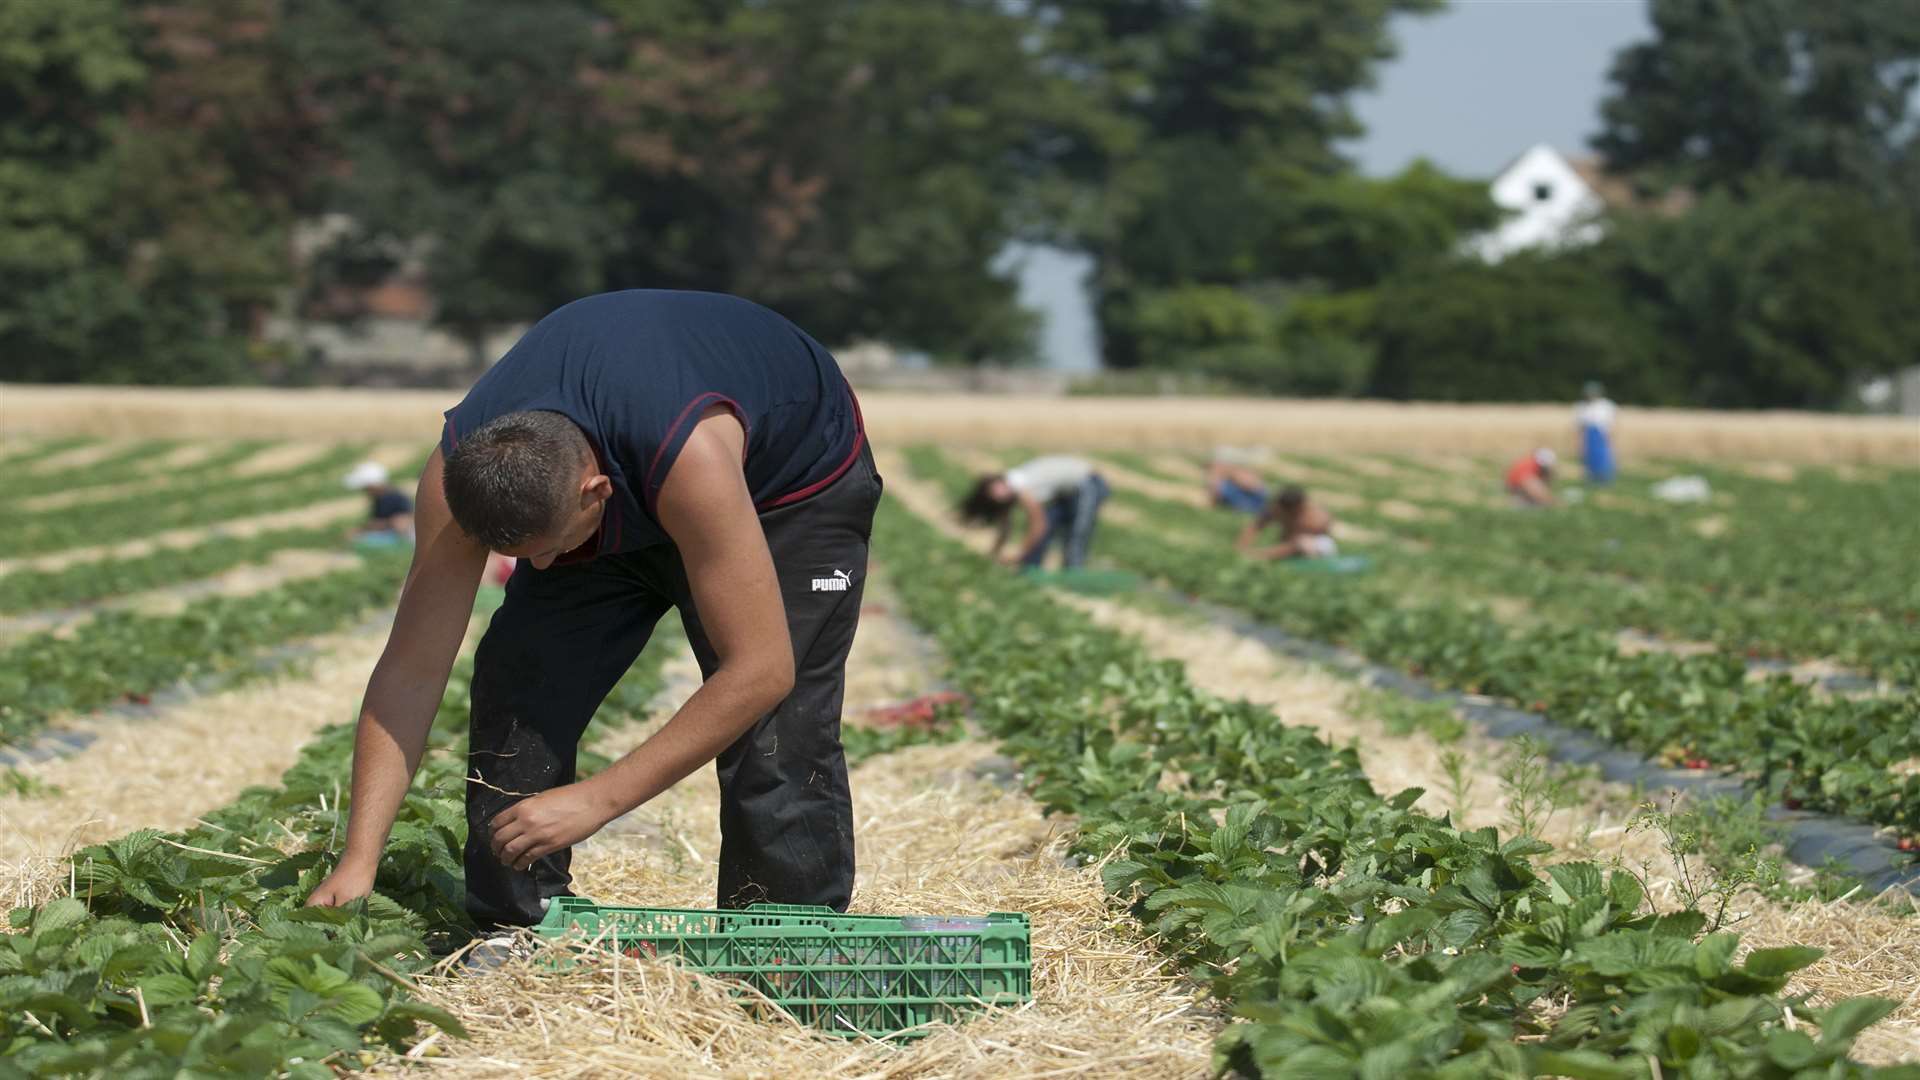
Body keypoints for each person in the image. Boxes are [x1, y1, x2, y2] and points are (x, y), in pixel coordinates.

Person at [304, 291, 882, 942]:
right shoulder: (457, 474)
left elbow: (763, 670)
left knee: (779, 730)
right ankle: (517, 928)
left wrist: (600, 798)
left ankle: (780, 947)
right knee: (521, 672)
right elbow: (410, 670)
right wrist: (359, 861)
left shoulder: (689, 457)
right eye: (518, 556)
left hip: (787, 488)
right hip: (613, 477)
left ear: (595, 493)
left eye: (547, 549)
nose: (542, 569)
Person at [959, 455, 1109, 570]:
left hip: (1088, 483)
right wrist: (996, 553)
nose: (999, 495)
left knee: (1076, 533)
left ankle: (1074, 575)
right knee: (1049, 528)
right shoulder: (1011, 483)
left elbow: (1038, 525)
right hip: (1066, 492)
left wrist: (1020, 555)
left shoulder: (1021, 486)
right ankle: (1031, 569)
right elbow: (1006, 523)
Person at [1236, 485, 1336, 560]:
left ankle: (1260, 555)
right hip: (1287, 546)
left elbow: (1310, 535)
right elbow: (1255, 527)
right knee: (1295, 541)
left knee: (1301, 541)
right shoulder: (1278, 510)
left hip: (1316, 546)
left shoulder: (1316, 514)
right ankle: (1260, 554)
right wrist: (1241, 546)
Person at [343, 461, 415, 542]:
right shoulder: (380, 499)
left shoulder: (396, 498)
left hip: (400, 537)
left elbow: (402, 522)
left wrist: (371, 527)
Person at [1575, 381, 1617, 485]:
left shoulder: (1606, 406)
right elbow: (1579, 428)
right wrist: (1579, 444)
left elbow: (1612, 426)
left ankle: (1604, 481)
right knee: (1589, 462)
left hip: (1602, 438)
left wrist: (1611, 441)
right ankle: (1590, 482)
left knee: (1604, 461)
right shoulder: (1581, 407)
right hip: (1588, 439)